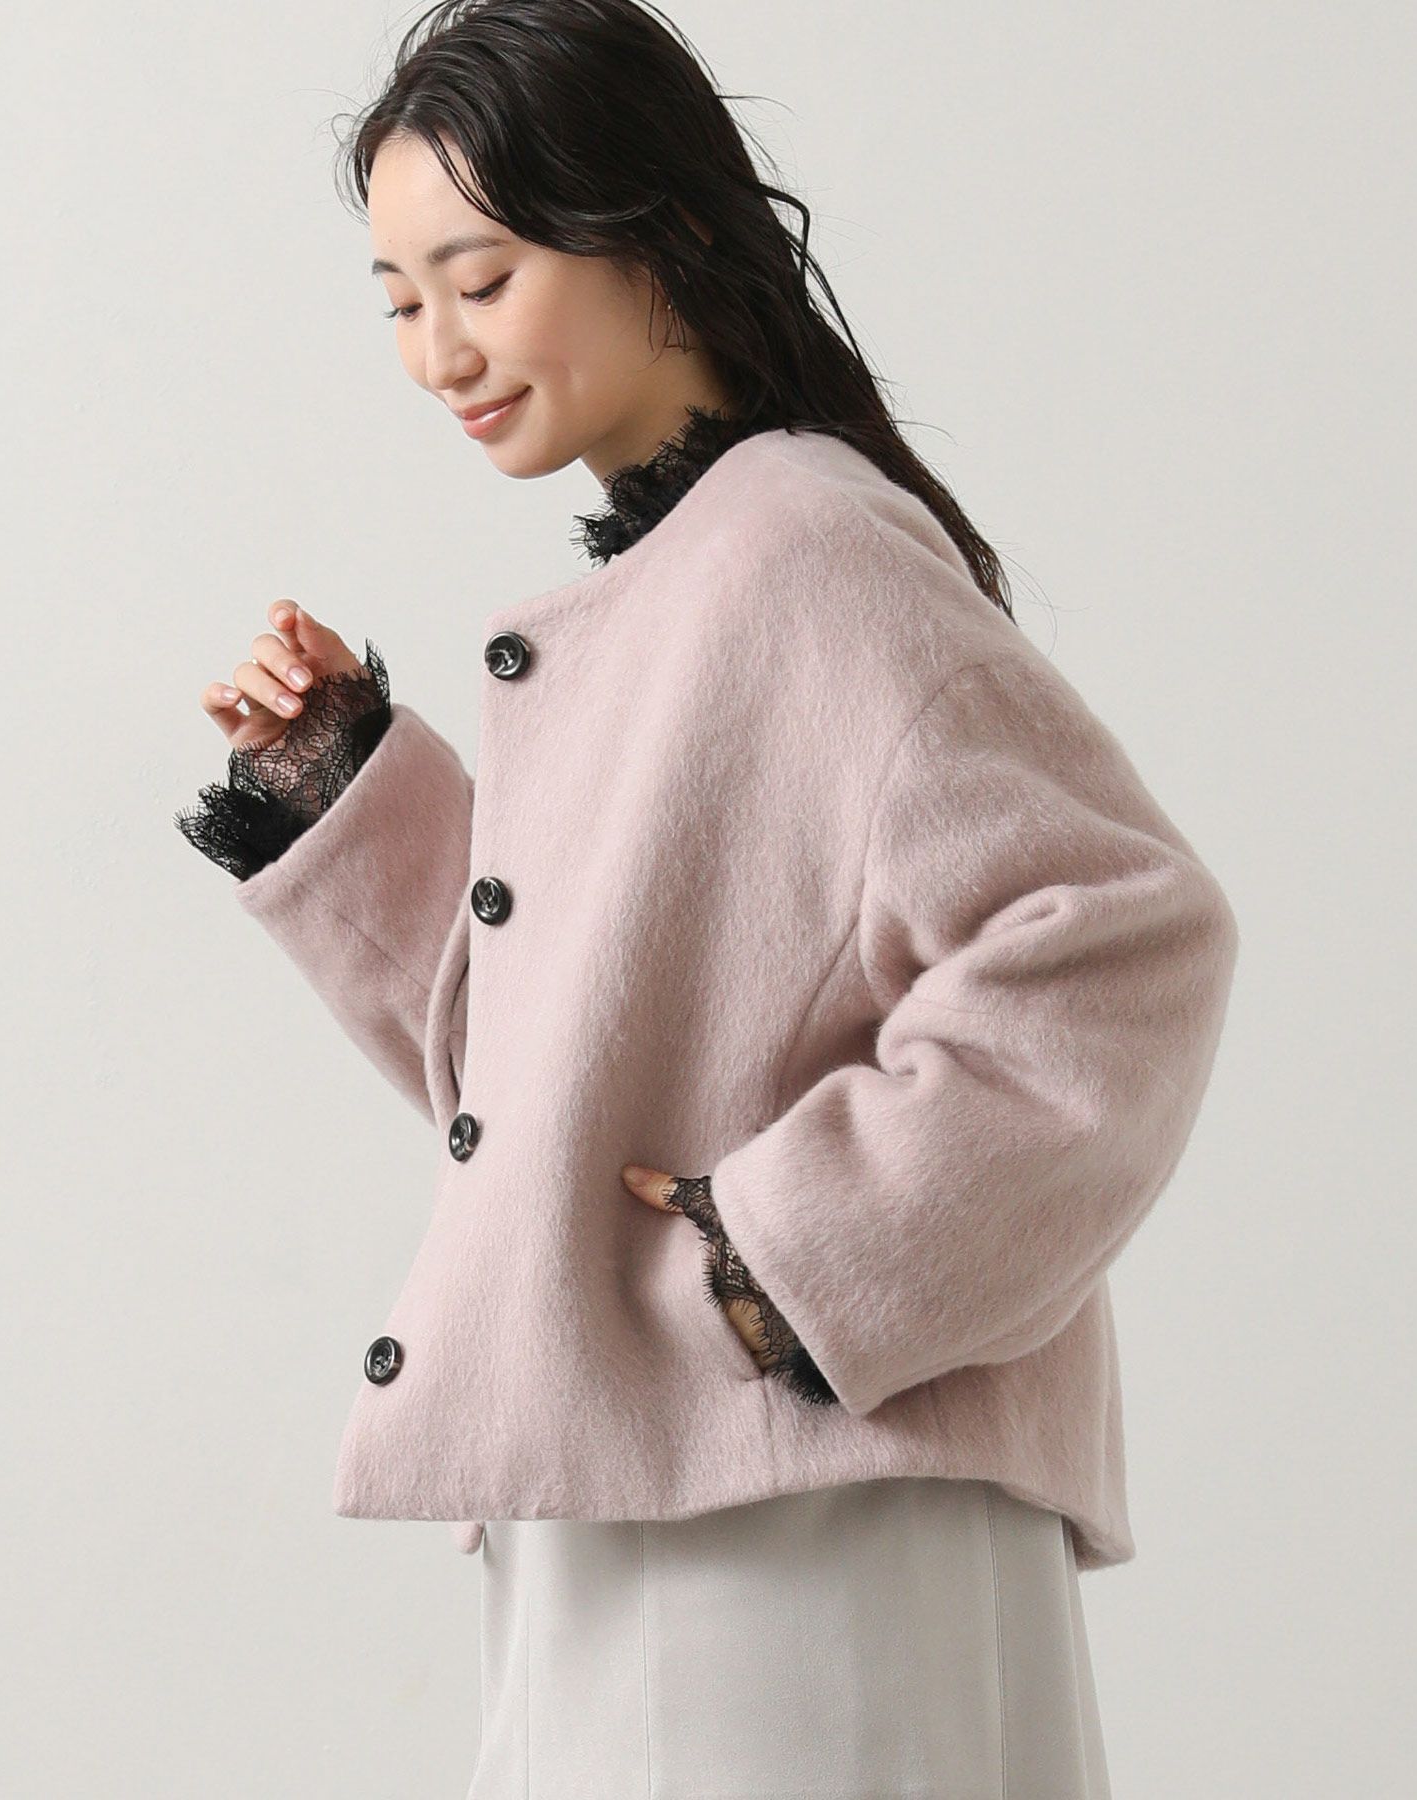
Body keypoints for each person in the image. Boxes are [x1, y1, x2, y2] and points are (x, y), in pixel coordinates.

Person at [174, 3, 1238, 1794]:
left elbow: (1126, 942)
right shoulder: (695, 581)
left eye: (482, 278)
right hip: (672, 1494)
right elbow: (563, 1063)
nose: (440, 351)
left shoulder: (800, 548)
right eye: (400, 302)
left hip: (789, 1520)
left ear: (655, 234)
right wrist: (344, 778)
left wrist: (797, 1264)